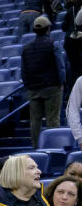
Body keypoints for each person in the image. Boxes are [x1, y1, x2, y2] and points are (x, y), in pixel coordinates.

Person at [21, 15, 65, 148]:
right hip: (52, 88)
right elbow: (60, 66)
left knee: (35, 121)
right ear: (48, 29)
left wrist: (29, 86)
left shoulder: (26, 48)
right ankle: (54, 149)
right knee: (53, 120)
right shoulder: (53, 44)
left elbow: (23, 72)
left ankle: (36, 148)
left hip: (33, 90)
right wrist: (62, 83)